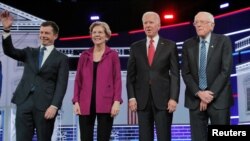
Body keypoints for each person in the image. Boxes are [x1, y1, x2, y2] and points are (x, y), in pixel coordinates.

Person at [0, 10, 69, 141]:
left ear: (55, 36)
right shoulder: (29, 52)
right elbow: (9, 51)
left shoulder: (61, 59)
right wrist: (7, 29)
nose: (43, 35)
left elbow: (61, 85)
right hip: (24, 102)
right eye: (41, 32)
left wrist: (54, 106)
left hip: (46, 106)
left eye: (47, 33)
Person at [126, 11, 180, 141]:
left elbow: (174, 74)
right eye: (145, 23)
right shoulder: (135, 47)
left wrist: (174, 98)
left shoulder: (170, 45)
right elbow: (130, 76)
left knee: (164, 136)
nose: (148, 26)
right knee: (144, 137)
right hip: (142, 100)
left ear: (159, 25)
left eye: (151, 22)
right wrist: (131, 97)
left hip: (164, 100)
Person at [181, 11, 233, 141]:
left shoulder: (223, 41)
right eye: (196, 22)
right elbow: (185, 73)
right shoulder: (188, 44)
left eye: (202, 22)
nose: (198, 25)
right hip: (195, 101)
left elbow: (225, 71)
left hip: (219, 100)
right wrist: (199, 93)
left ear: (212, 25)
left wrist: (209, 94)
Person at [72, 21, 122, 141]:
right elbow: (78, 80)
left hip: (106, 102)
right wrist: (76, 101)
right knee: (85, 138)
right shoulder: (84, 56)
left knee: (103, 138)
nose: (97, 35)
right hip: (85, 102)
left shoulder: (113, 55)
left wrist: (116, 101)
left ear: (106, 35)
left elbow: (117, 79)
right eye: (94, 32)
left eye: (100, 32)